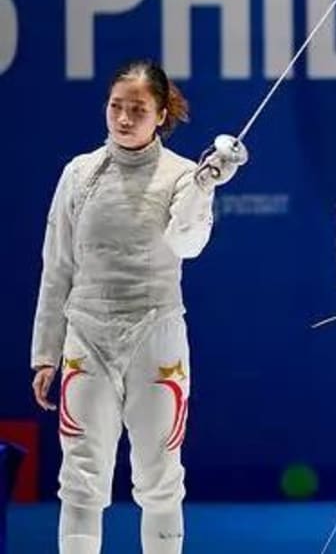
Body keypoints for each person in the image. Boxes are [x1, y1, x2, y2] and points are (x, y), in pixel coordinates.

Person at [30, 59, 248, 554]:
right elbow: (57, 266)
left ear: (161, 114)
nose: (124, 119)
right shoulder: (80, 174)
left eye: (138, 110)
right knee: (81, 472)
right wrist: (45, 354)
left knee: (160, 471)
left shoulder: (183, 175)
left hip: (157, 334)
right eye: (116, 107)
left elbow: (188, 243)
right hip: (86, 334)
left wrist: (203, 188)